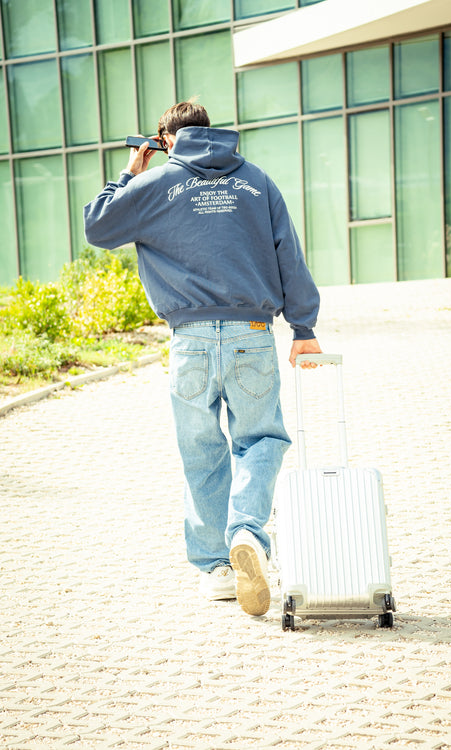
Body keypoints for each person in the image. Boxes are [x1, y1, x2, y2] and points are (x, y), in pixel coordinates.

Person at [84, 100, 321, 618]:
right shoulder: (256, 182)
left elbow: (98, 227)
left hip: (188, 339)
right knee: (260, 438)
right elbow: (289, 252)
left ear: (166, 139)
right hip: (252, 332)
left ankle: (216, 569)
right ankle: (248, 534)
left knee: (201, 450)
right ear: (210, 134)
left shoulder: (156, 185)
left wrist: (129, 173)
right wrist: (303, 328)